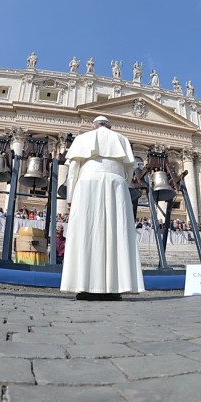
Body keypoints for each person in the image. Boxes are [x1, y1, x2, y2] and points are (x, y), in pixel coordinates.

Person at [60, 115, 144, 300]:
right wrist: (122, 183)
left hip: (86, 183)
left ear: (94, 126)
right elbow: (129, 170)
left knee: (86, 232)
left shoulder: (82, 139)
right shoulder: (122, 139)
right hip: (116, 184)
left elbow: (73, 170)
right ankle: (115, 288)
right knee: (116, 234)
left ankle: (84, 286)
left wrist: (70, 196)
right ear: (109, 126)